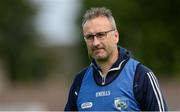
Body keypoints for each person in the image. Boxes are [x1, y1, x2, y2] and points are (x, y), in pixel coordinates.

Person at [64, 7, 167, 111]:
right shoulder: (80, 81)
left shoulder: (141, 76)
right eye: (89, 37)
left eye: (101, 35)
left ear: (116, 36)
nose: (95, 43)